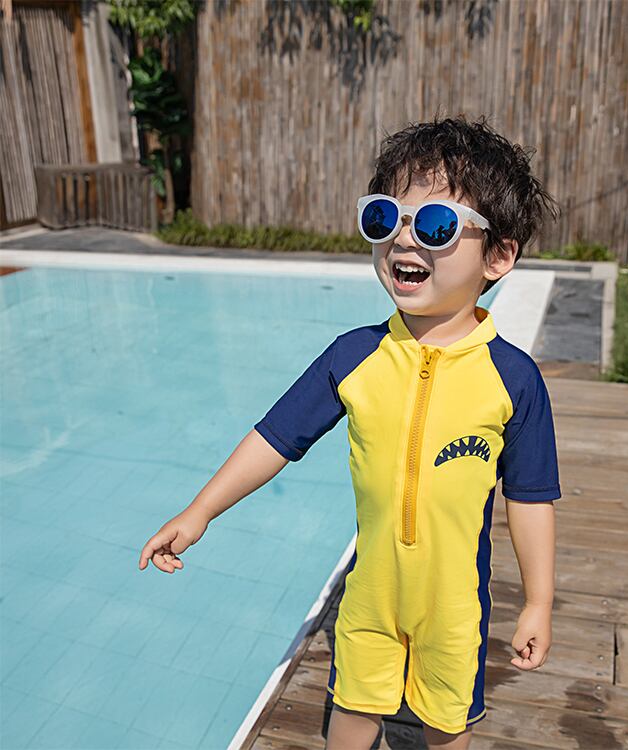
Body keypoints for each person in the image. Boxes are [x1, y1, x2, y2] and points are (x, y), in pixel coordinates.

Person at [139, 113, 562, 750]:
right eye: (384, 219)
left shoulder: (513, 379)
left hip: (455, 604)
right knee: (355, 710)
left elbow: (530, 497)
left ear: (498, 256)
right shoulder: (355, 355)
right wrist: (200, 511)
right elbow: (275, 438)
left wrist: (538, 601)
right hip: (371, 593)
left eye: (437, 226)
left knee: (448, 723)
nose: (403, 241)